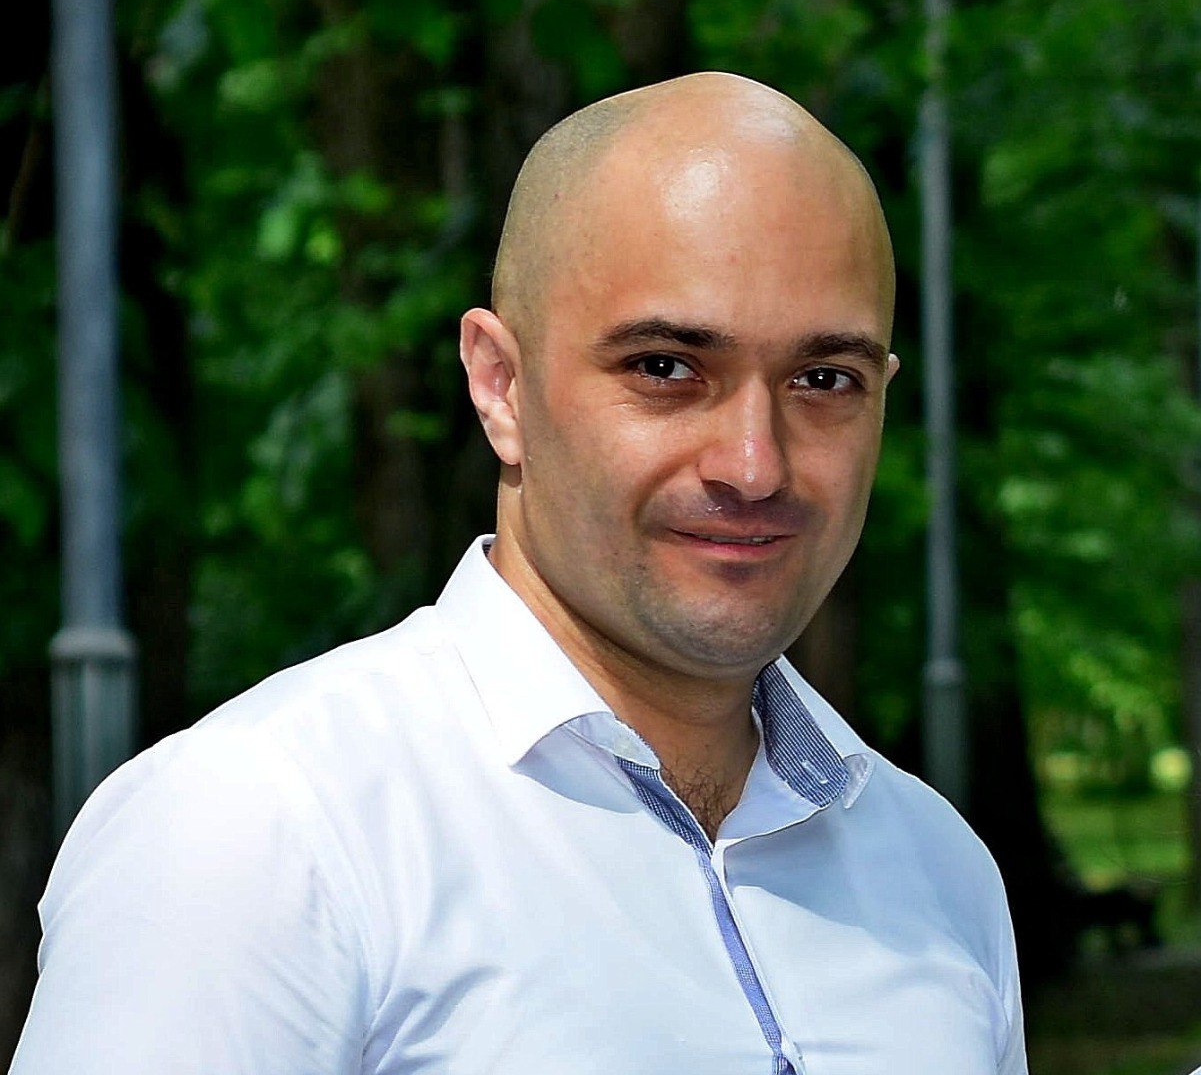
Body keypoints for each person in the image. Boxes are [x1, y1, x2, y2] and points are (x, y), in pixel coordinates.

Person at [11, 72, 1026, 1074]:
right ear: (499, 385)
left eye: (823, 379)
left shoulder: (938, 872)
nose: (754, 464)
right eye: (666, 368)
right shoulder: (263, 828)